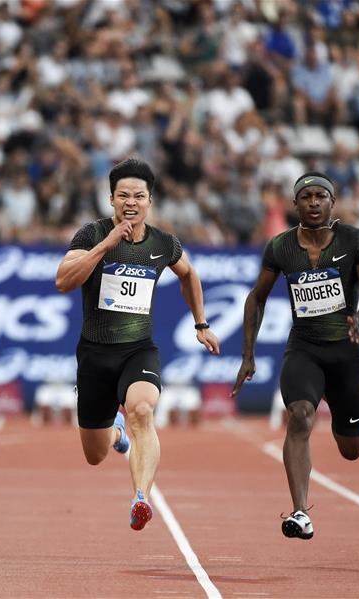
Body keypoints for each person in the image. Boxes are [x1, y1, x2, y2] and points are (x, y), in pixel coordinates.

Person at [55, 158, 220, 531]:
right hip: (95, 355)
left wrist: (201, 323)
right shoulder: (91, 234)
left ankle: (141, 497)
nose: (131, 202)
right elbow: (63, 281)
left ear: (150, 201)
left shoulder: (163, 244)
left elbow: (189, 274)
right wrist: (106, 245)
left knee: (143, 411)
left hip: (138, 351)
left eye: (139, 196)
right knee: (95, 454)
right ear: (111, 199)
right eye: (124, 195)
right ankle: (116, 432)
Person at [232, 171, 359, 540]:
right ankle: (301, 512)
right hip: (304, 349)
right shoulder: (280, 247)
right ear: (294, 204)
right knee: (299, 416)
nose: (313, 202)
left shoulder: (355, 240)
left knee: (351, 449)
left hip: (345, 353)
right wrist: (248, 355)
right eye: (306, 196)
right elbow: (256, 298)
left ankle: (335, 402)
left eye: (320, 196)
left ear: (332, 203)